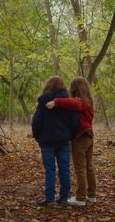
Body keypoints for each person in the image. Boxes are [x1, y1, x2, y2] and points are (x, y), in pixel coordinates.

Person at [46, 76, 96, 206]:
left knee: (80, 168)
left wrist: (56, 102)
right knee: (89, 167)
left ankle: (80, 198)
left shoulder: (81, 101)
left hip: (81, 137)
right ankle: (91, 196)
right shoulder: (89, 100)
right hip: (90, 136)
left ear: (75, 88)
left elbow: (75, 103)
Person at [32, 76, 79, 207]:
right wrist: (70, 134)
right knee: (64, 169)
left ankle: (50, 199)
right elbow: (74, 121)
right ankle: (64, 198)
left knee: (50, 170)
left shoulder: (43, 102)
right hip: (63, 141)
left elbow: (36, 122)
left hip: (46, 142)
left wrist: (38, 137)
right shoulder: (68, 102)